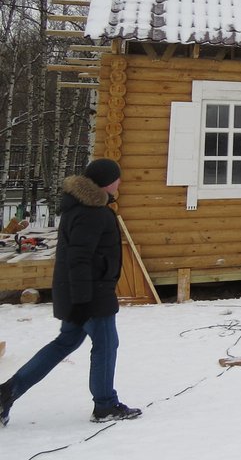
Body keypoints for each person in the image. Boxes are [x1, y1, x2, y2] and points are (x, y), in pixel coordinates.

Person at [1, 159, 142, 427]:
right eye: (117, 178)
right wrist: (82, 301)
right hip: (91, 295)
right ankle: (105, 405)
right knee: (106, 346)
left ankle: (7, 392)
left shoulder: (82, 208)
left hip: (80, 292)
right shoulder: (93, 213)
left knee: (65, 343)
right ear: (105, 182)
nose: (120, 182)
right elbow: (79, 259)